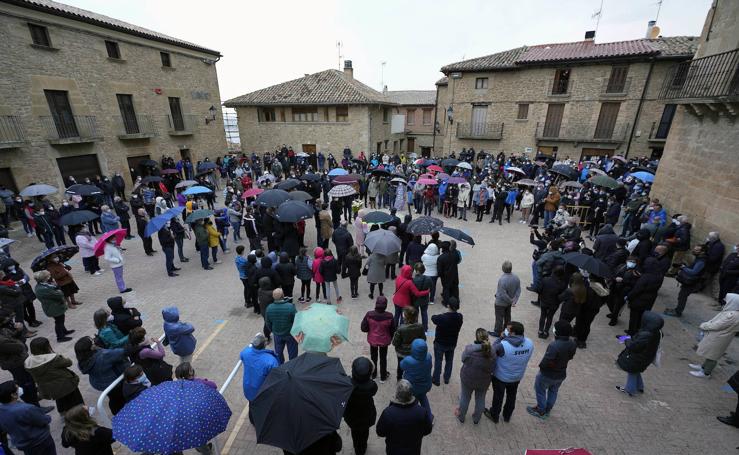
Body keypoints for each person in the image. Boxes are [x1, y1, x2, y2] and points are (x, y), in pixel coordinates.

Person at [484, 321, 534, 423]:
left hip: (501, 377)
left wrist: (501, 338)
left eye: (507, 329)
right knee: (512, 395)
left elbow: (491, 351)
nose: (505, 330)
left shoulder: (503, 345)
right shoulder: (529, 343)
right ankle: (507, 416)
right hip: (517, 376)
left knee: (498, 396)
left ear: (512, 333)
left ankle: (494, 414)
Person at [526, 320, 576, 419]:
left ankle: (541, 411)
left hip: (547, 374)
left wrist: (541, 367)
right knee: (553, 391)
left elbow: (546, 361)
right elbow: (570, 357)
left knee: (540, 391)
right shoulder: (572, 343)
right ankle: (547, 409)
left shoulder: (554, 345)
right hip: (561, 374)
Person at [25, 337, 83, 414]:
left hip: (49, 388)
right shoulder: (54, 359)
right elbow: (69, 362)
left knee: (59, 399)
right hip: (65, 384)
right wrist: (56, 355)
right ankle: (80, 413)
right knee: (74, 399)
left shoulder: (29, 363)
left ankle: (63, 411)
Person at [376, 379, 433, 455]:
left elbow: (380, 432)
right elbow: (428, 430)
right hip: (413, 450)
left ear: (397, 394)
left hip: (394, 450)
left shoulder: (388, 413)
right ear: (411, 394)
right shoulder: (421, 412)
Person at [688, 293, 739, 378]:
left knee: (713, 356)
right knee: (710, 353)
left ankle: (706, 373)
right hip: (720, 336)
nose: (725, 302)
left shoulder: (732, 315)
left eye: (727, 301)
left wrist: (704, 326)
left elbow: (717, 325)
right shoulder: (733, 312)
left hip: (719, 337)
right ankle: (703, 367)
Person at [74, 336, 127, 415]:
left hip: (100, 383)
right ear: (90, 348)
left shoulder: (82, 361)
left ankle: (117, 413)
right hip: (113, 382)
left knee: (113, 397)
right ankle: (122, 413)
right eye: (92, 342)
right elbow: (121, 352)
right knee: (119, 398)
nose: (94, 342)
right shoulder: (103, 356)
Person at [0, 381, 55, 455]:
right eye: (17, 388)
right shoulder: (26, 409)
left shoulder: (2, 409)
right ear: (13, 395)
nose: (20, 389)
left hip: (24, 444)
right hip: (40, 441)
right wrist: (48, 417)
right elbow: (43, 420)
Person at [616, 311, 663, 396]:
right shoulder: (657, 332)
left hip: (637, 358)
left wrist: (625, 340)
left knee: (632, 371)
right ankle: (639, 387)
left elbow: (634, 346)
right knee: (636, 371)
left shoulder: (646, 334)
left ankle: (630, 390)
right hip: (646, 357)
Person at [457, 328, 495, 424]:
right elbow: (493, 366)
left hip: (468, 378)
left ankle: (461, 416)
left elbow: (463, 359)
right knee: (480, 399)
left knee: (465, 397)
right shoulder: (492, 351)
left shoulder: (470, 349)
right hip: (484, 380)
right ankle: (476, 419)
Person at [239, 333, 278, 422]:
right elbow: (275, 376)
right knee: (263, 407)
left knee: (251, 404)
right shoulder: (270, 360)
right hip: (262, 390)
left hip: (248, 386)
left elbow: (242, 355)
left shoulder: (246, 352)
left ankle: (252, 420)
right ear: (264, 345)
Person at [343, 357, 378, 455]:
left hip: (352, 416)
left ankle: (357, 447)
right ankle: (363, 448)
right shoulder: (372, 386)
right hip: (366, 415)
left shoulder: (347, 384)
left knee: (355, 433)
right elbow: (374, 391)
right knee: (364, 433)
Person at [664, 244, 707, 317]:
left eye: (697, 250)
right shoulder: (699, 258)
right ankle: (677, 310)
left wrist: (683, 268)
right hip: (690, 282)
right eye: (694, 249)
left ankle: (678, 312)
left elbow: (694, 272)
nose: (694, 251)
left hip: (692, 283)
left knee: (682, 297)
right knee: (681, 296)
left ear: (702, 252)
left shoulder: (701, 261)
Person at [361, 296, 395, 382]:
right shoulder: (389, 316)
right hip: (384, 340)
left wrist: (371, 329)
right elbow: (393, 329)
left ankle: (373, 374)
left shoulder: (369, 314)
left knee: (373, 357)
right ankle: (383, 376)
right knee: (383, 358)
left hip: (373, 340)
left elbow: (363, 328)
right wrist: (390, 337)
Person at [430, 297, 463, 386]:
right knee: (449, 361)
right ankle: (446, 378)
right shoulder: (459, 317)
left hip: (440, 343)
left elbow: (433, 318)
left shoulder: (443, 318)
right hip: (452, 343)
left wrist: (443, 313)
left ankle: (436, 379)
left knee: (438, 361)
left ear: (448, 305)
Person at [33, 271, 73, 342]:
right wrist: (58, 289)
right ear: (44, 278)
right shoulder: (42, 288)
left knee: (61, 320)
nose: (50, 277)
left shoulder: (44, 285)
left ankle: (64, 331)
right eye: (48, 276)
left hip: (55, 306)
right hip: (53, 308)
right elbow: (59, 294)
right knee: (59, 321)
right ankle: (60, 337)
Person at [392, 306, 426, 381]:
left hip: (401, 352)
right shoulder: (420, 326)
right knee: (412, 366)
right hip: (414, 351)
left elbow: (395, 342)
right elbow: (423, 339)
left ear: (407, 317)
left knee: (400, 366)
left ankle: (399, 379)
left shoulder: (401, 328)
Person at [265, 288, 297, 364]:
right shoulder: (290, 307)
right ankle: (292, 367)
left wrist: (273, 330)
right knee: (293, 353)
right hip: (290, 334)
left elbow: (268, 323)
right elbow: (296, 320)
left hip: (277, 334)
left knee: (278, 353)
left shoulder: (269, 308)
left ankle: (281, 367)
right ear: (283, 295)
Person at [392, 264, 430, 329]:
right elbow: (417, 293)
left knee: (396, 315)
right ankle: (401, 329)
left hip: (396, 300)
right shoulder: (409, 282)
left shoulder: (398, 278)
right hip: (405, 303)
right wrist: (427, 292)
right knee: (403, 317)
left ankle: (394, 328)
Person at [400, 339, 433, 413]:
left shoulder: (408, 361)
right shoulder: (429, 357)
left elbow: (401, 366)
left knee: (413, 403)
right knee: (423, 398)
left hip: (412, 388)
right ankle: (429, 417)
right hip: (425, 385)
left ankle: (414, 418)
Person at [537, 266, 567, 338]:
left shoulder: (545, 280)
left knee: (543, 315)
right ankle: (545, 332)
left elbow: (538, 290)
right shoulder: (562, 284)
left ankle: (540, 330)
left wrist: (541, 296)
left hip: (544, 301)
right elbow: (562, 296)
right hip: (554, 304)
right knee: (550, 317)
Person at [493, 260, 521, 337]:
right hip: (509, 303)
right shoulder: (516, 278)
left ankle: (497, 331)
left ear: (503, 269)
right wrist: (514, 301)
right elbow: (518, 290)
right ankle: (507, 329)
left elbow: (502, 294)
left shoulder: (502, 280)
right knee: (507, 316)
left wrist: (510, 301)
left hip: (500, 303)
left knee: (499, 317)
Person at [436, 241, 461, 307]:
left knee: (446, 288)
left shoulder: (441, 258)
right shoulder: (455, 254)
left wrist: (440, 275)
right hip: (454, 274)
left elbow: (439, 271)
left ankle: (446, 302)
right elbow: (458, 260)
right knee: (455, 287)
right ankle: (456, 299)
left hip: (446, 276)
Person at [411, 263, 433, 331]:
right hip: (424, 299)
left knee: (415, 314)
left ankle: (416, 328)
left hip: (415, 300)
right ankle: (425, 328)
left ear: (416, 270)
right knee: (424, 313)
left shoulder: (413, 280)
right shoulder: (428, 279)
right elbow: (432, 288)